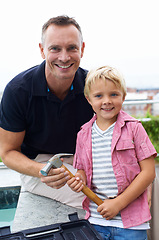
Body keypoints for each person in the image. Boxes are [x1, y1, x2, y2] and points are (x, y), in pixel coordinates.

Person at [0, 15, 93, 208]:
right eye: (55, 48)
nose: (64, 57)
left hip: (85, 159)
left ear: (82, 49)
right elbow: (8, 152)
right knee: (90, 199)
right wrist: (42, 170)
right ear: (42, 50)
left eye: (72, 48)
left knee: (143, 186)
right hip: (40, 162)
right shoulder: (17, 91)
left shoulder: (93, 86)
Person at [67, 66, 157, 239]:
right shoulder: (83, 134)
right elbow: (82, 171)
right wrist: (79, 179)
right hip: (96, 221)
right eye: (99, 96)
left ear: (123, 96)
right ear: (89, 99)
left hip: (131, 225)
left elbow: (148, 172)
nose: (107, 101)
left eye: (114, 94)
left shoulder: (134, 128)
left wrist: (118, 203)